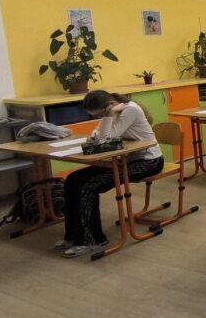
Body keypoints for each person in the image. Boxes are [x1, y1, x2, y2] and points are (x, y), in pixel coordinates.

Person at [58, 91, 164, 257]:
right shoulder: (111, 111)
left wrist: (109, 117)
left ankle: (92, 240)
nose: (100, 117)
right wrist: (96, 132)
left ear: (111, 105)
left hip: (148, 162)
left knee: (88, 186)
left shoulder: (130, 110)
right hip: (126, 159)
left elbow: (106, 138)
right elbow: (98, 134)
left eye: (100, 114)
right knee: (73, 179)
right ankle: (73, 235)